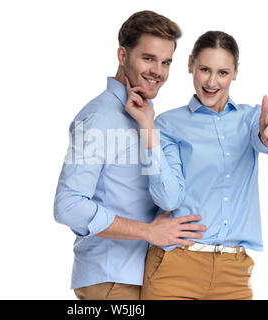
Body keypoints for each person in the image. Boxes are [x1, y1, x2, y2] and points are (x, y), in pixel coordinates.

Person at [126, 30, 268, 300]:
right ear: (190, 64)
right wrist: (147, 128)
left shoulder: (251, 119)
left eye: (223, 73)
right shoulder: (166, 124)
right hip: (175, 267)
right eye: (204, 69)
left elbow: (263, 137)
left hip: (234, 274)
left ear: (236, 72)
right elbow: (167, 198)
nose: (212, 82)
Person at [53, 11, 206, 300]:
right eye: (148, 58)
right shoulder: (100, 118)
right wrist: (150, 232)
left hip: (139, 277)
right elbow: (68, 206)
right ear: (123, 56)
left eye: (166, 62)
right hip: (111, 282)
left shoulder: (142, 114)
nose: (158, 72)